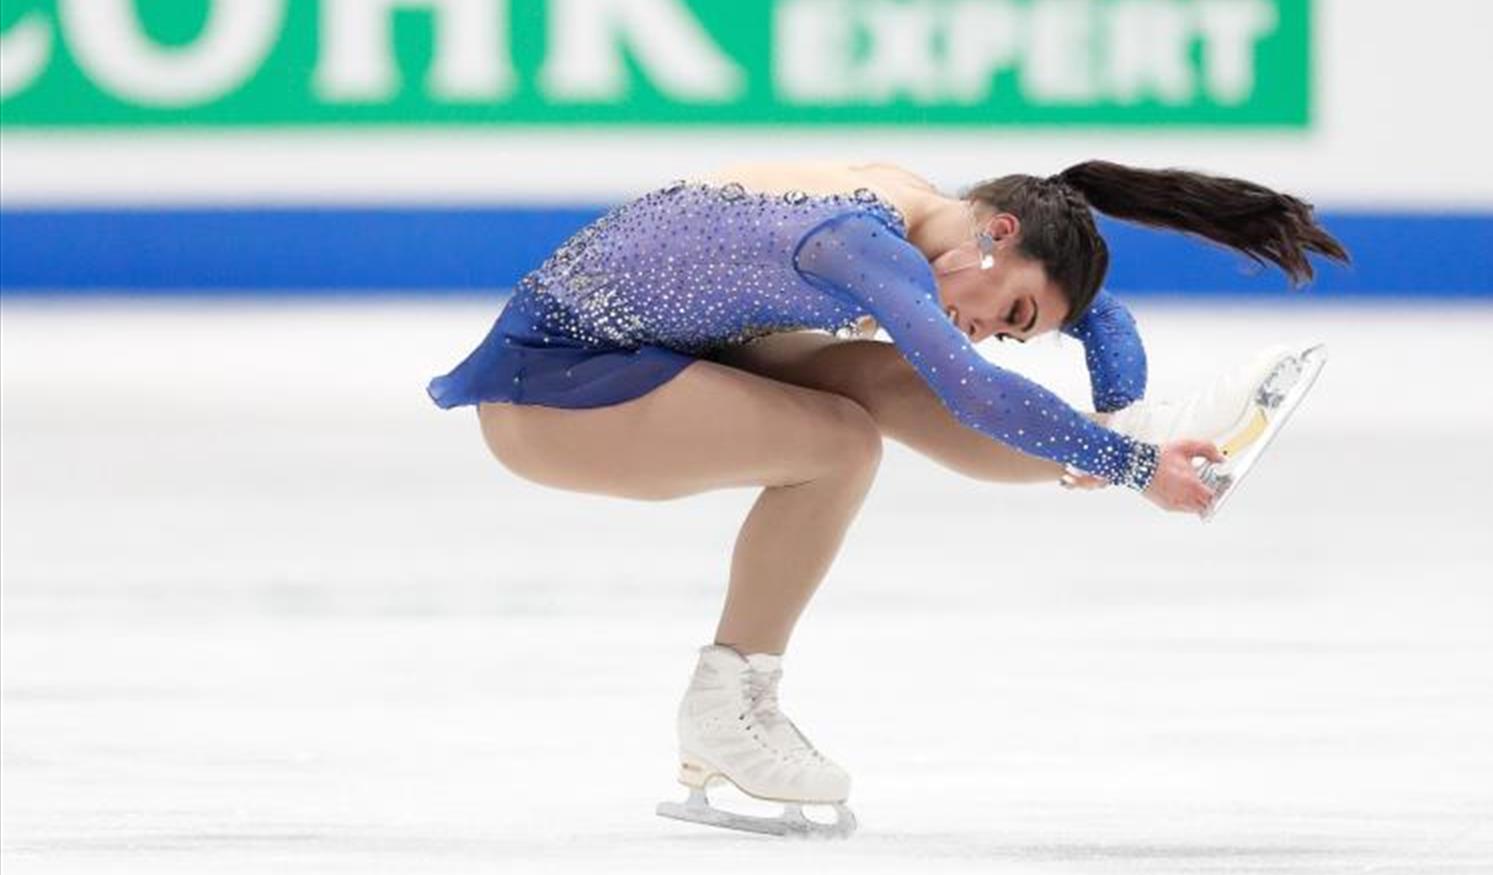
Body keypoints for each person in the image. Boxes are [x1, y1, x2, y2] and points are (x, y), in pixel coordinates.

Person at [426, 159, 1349, 837]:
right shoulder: (855, 246)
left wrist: (1121, 427)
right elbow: (976, 391)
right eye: (1015, 314)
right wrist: (1138, 467)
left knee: (889, 380)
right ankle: (728, 700)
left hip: (661, 351)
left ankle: (1139, 437)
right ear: (997, 234)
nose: (995, 332)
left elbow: (1102, 314)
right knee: (837, 443)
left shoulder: (924, 215)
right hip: (549, 390)